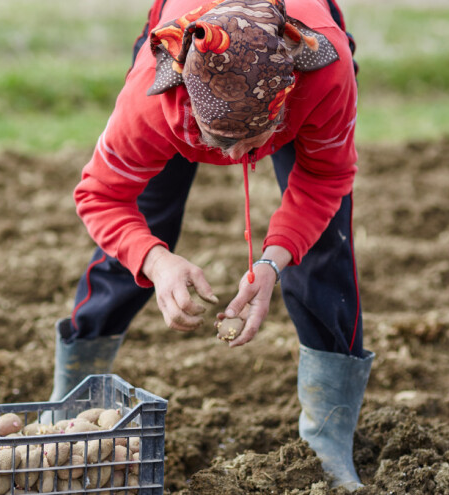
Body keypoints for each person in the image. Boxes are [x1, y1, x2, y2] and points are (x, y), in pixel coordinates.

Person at [48, 0, 374, 489]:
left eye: (251, 140)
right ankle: (71, 405)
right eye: (219, 139)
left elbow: (326, 177)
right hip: (184, 61)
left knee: (323, 245)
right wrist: (155, 262)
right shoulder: (151, 98)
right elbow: (102, 195)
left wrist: (273, 261)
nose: (236, 158)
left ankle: (327, 445)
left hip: (295, 68)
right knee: (141, 229)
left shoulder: (325, 72)